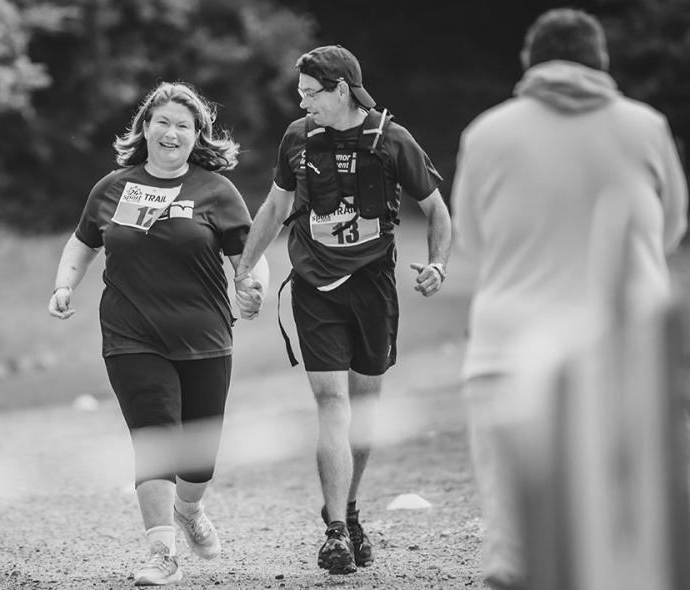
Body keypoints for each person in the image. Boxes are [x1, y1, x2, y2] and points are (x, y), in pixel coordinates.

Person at [449, 8, 688, 589]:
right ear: (601, 63)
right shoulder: (647, 126)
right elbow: (672, 231)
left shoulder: (486, 132)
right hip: (628, 360)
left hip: (508, 353)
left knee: (512, 556)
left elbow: (473, 241)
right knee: (635, 543)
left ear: (529, 64)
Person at [232, 45, 452, 574]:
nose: (304, 103)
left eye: (312, 93)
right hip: (314, 286)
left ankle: (349, 508)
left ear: (342, 90)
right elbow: (276, 207)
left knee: (364, 413)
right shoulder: (297, 138)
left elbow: (437, 211)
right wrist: (244, 268)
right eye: (301, 93)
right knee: (332, 403)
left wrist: (437, 265)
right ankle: (334, 531)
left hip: (373, 288)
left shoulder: (391, 140)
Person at [48, 81, 269, 586]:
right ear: (145, 128)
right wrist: (64, 285)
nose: (172, 133)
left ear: (197, 137)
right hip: (131, 334)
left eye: (184, 126)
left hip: (205, 336)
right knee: (154, 438)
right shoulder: (112, 188)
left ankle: (191, 510)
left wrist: (252, 289)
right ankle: (160, 551)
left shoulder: (216, 191)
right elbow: (81, 244)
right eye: (163, 122)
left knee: (197, 455)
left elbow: (249, 259)